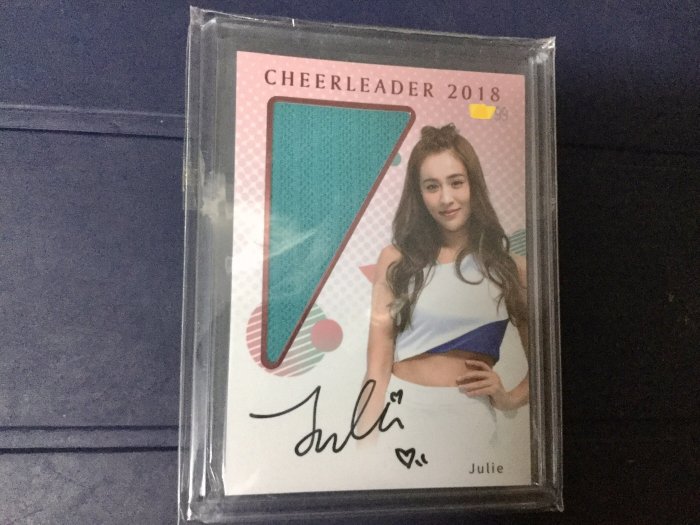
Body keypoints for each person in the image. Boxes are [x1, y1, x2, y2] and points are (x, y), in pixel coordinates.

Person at [359, 124, 528, 466]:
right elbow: (377, 368)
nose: (446, 198)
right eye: (432, 186)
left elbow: (548, 369)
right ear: (419, 194)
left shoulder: (511, 267)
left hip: (470, 422)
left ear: (473, 184)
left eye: (456, 182)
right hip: (401, 413)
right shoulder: (396, 260)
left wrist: (507, 399)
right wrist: (361, 448)